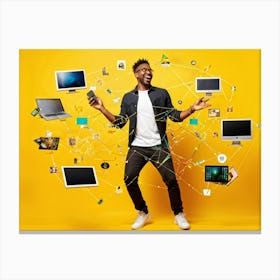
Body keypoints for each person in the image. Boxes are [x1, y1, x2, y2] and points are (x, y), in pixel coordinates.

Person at [89, 58, 210, 230]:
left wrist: (191, 109)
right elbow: (120, 122)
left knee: (171, 180)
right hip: (137, 147)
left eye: (150, 70)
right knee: (129, 179)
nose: (148, 72)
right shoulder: (128, 98)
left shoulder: (162, 94)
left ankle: (178, 214)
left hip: (158, 146)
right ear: (136, 74)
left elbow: (175, 115)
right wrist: (102, 108)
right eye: (144, 70)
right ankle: (143, 212)